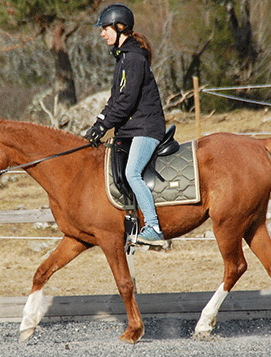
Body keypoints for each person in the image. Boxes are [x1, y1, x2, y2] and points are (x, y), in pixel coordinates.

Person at [85, 3, 166, 246]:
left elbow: (127, 102)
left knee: (132, 172)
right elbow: (115, 100)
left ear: (121, 28)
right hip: (131, 129)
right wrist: (99, 123)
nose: (102, 33)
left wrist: (105, 125)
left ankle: (153, 227)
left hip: (146, 128)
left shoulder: (133, 59)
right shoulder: (122, 59)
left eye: (106, 28)